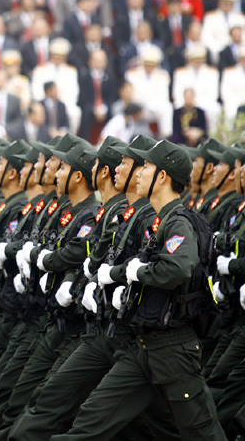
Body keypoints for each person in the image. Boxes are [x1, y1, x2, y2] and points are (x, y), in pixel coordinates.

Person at [53, 140, 227, 441]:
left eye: (145, 166)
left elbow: (178, 267)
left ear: (162, 176)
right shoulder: (159, 221)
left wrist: (135, 273)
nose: (138, 172)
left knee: (200, 432)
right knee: (90, 421)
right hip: (142, 347)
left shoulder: (178, 222)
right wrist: (122, 274)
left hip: (173, 351)